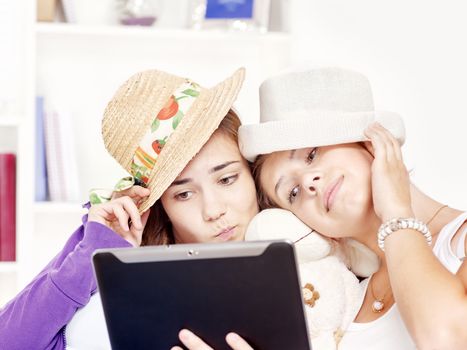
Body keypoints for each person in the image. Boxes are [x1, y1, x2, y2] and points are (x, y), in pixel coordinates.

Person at [0, 68, 259, 350]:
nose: (213, 210)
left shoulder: (304, 252)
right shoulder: (115, 273)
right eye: (183, 194)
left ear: (251, 169)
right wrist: (91, 252)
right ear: (162, 206)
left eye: (227, 179)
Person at [237, 66, 467, 349]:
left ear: (370, 142)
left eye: (312, 154)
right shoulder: (341, 305)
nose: (309, 181)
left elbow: (448, 337)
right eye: (293, 192)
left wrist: (395, 213)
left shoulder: (461, 240)